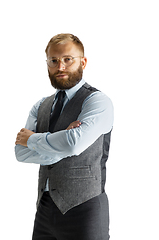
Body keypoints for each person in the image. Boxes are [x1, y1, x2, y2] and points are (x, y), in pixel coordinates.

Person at [15, 33, 114, 240]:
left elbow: (73, 145)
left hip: (85, 207)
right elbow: (20, 153)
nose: (60, 67)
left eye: (68, 59)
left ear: (83, 62)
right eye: (54, 60)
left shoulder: (97, 102)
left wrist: (33, 140)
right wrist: (60, 143)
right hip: (44, 207)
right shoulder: (40, 106)